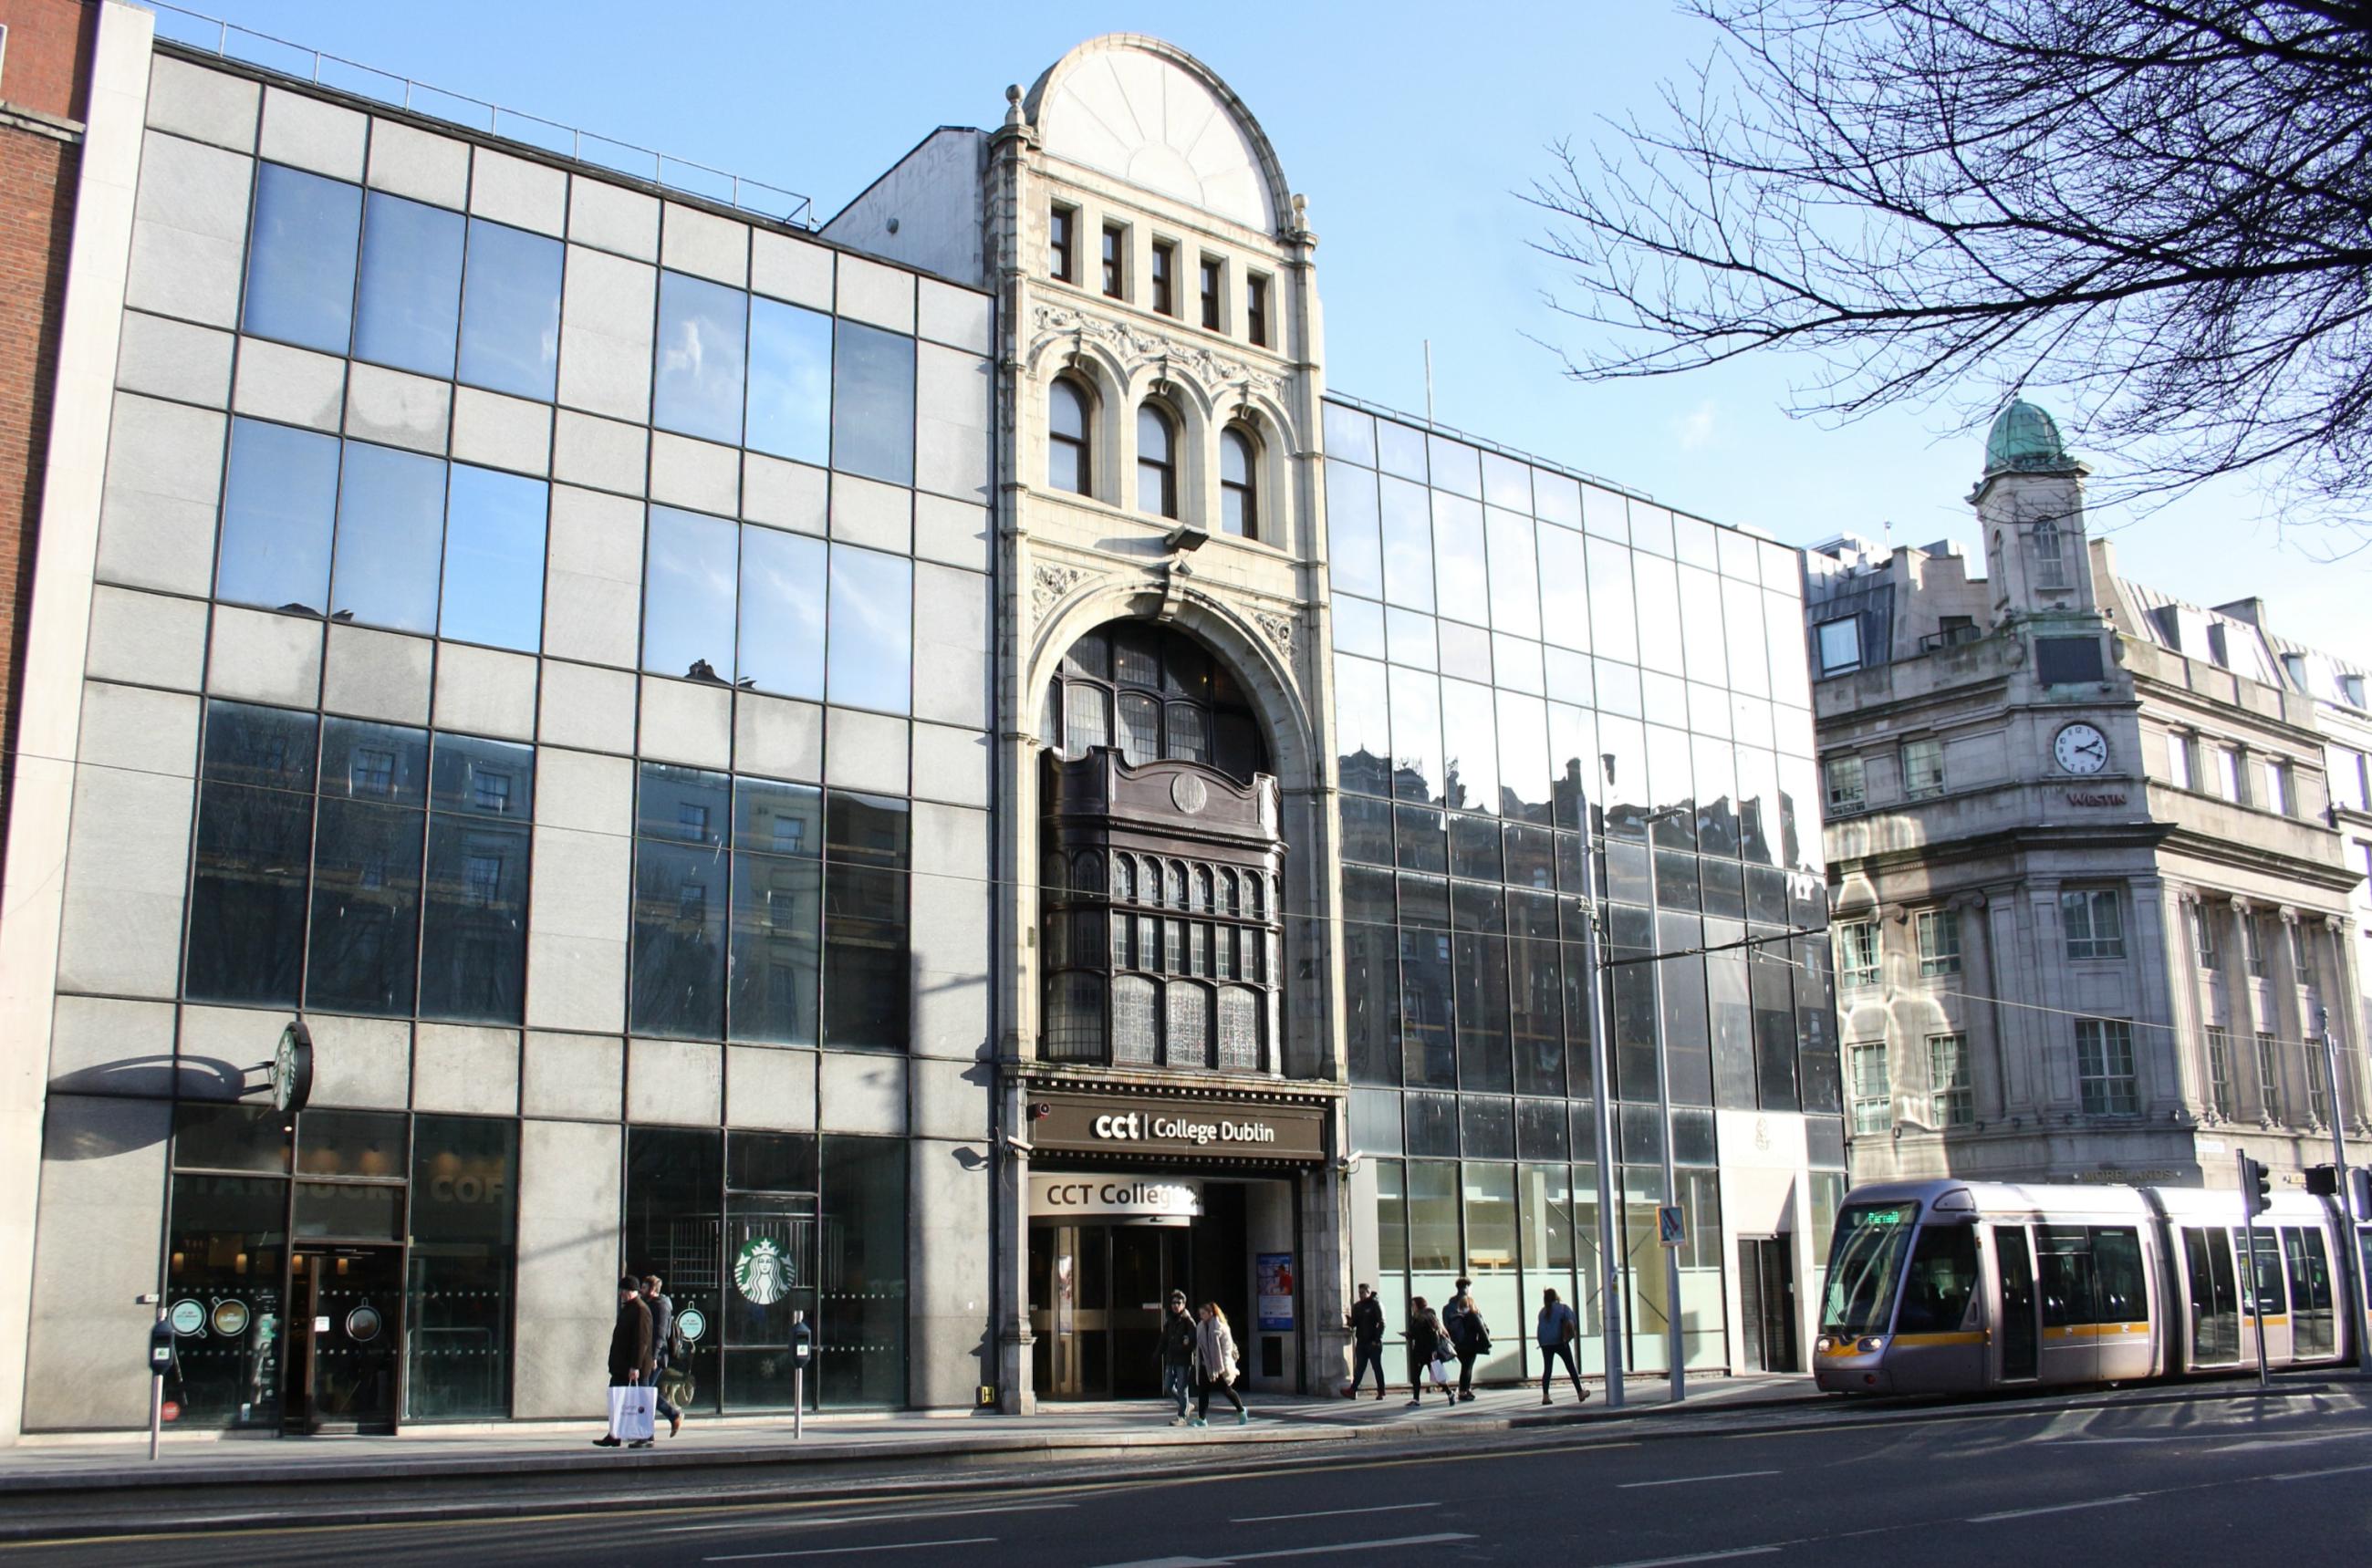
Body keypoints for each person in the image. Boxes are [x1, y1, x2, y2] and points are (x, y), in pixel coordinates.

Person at [594, 1275, 654, 1449]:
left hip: (635, 1367)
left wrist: (635, 1366)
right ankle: (614, 1434)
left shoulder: (641, 1310)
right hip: (621, 1366)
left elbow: (641, 1341)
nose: (621, 1294)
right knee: (615, 1399)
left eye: (623, 1291)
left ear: (630, 1291)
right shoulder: (629, 1308)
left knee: (641, 1402)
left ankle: (645, 1435)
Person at [641, 1274, 686, 1438]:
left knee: (645, 1392)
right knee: (646, 1391)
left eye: (645, 1287)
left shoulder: (661, 1306)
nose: (641, 1290)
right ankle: (671, 1416)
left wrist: (653, 1357)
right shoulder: (650, 1304)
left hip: (657, 1357)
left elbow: (660, 1334)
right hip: (650, 1355)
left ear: (652, 1290)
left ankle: (672, 1415)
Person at [1191, 1301, 1247, 1428]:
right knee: (1203, 1392)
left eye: (1203, 1313)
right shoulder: (1200, 1327)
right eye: (1200, 1313)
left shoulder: (1221, 1327)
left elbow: (1225, 1350)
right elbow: (1200, 1347)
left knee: (1226, 1390)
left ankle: (1241, 1410)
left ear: (1211, 1313)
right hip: (1205, 1365)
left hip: (1220, 1365)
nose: (1201, 1316)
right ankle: (1202, 1418)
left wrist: (1219, 1368)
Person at [1536, 1287, 1589, 1407]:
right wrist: (1568, 1337)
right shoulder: (1563, 1308)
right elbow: (1571, 1323)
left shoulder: (1542, 1312)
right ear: (1556, 1297)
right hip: (1560, 1341)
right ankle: (1580, 1393)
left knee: (1547, 1369)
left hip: (1545, 1343)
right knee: (1570, 1366)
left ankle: (1545, 1396)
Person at [1404, 1296, 1453, 1409]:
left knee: (1434, 1375)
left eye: (1413, 1305)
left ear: (1418, 1305)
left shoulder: (1425, 1317)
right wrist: (1409, 1335)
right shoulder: (1421, 1317)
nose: (1412, 1307)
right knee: (1417, 1376)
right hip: (1422, 1351)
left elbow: (1433, 1336)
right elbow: (1416, 1333)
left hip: (1427, 1351)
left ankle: (1449, 1393)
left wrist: (1409, 1335)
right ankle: (1416, 1399)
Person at [1159, 1289, 1199, 1425]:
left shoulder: (1188, 1321)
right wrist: (1157, 1353)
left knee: (1182, 1387)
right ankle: (1186, 1405)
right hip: (1171, 1359)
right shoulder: (1169, 1321)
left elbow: (1193, 1341)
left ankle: (1182, 1416)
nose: (1175, 1305)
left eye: (1178, 1302)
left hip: (1183, 1360)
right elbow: (1164, 1339)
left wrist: (1184, 1346)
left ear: (1184, 1304)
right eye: (1173, 1302)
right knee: (1168, 1387)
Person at [1448, 1282, 1488, 1402]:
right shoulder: (1473, 1315)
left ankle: (1463, 1390)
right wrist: (1486, 1343)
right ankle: (1465, 1391)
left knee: (1464, 1368)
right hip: (1470, 1346)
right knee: (1467, 1369)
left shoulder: (1456, 1316)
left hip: (1458, 1346)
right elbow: (1482, 1330)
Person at [1346, 1283, 1387, 1400]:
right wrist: (1350, 1321)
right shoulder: (1358, 1306)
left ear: (1369, 1292)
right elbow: (1355, 1323)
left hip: (1373, 1342)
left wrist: (1377, 1339)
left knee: (1376, 1367)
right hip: (1362, 1341)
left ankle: (1381, 1391)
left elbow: (1382, 1322)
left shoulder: (1375, 1304)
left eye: (1363, 1293)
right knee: (1359, 1367)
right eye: (1360, 1293)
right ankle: (1353, 1390)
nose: (1361, 1295)